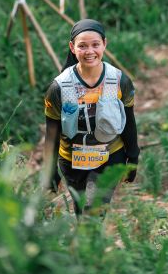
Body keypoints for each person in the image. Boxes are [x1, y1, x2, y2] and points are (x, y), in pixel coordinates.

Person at [42, 18, 139, 216]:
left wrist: (133, 157)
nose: (90, 51)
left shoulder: (119, 81)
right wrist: (50, 171)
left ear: (104, 44)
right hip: (72, 160)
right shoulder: (59, 87)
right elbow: (52, 133)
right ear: (72, 47)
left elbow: (129, 122)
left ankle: (90, 233)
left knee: (94, 211)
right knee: (81, 212)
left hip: (110, 156)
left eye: (95, 44)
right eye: (82, 46)